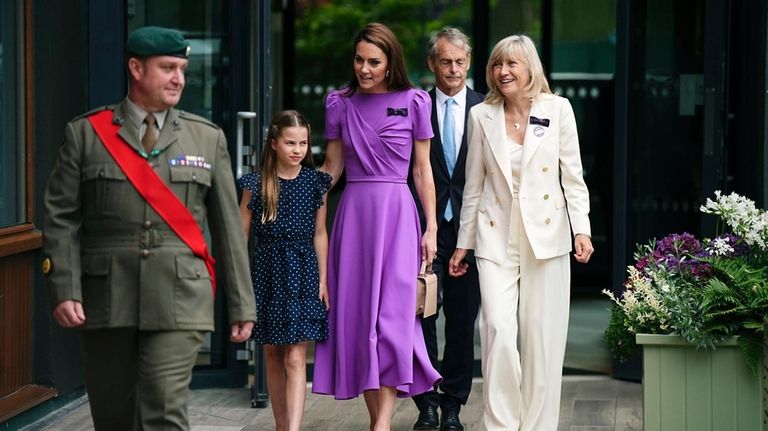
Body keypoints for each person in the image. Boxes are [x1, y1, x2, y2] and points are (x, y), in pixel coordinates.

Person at [42, 26, 256, 430]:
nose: (179, 79)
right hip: (106, 295)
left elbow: (228, 228)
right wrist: (65, 287)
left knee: (163, 409)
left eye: (182, 69)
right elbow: (60, 218)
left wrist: (242, 304)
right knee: (114, 415)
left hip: (180, 295)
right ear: (136, 68)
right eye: (168, 68)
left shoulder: (206, 138)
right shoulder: (86, 134)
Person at [448, 34, 594, 431]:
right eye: (497, 64)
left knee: (542, 342)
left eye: (512, 64)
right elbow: (474, 185)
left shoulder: (558, 109)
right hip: (495, 237)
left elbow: (573, 178)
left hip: (547, 236)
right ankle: (502, 424)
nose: (503, 72)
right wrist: (463, 244)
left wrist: (582, 230)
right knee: (497, 329)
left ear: (530, 68)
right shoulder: (482, 115)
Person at [311, 22, 442, 431]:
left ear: (389, 64)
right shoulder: (340, 103)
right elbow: (332, 168)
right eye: (359, 60)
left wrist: (432, 227)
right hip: (354, 218)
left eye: (374, 62)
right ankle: (378, 420)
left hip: (399, 217)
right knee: (358, 320)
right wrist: (292, 189)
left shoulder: (415, 101)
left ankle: (381, 423)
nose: (364, 68)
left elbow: (422, 171)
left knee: (392, 319)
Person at [408, 27, 484, 431]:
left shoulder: (486, 108)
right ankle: (427, 403)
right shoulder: (416, 105)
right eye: (445, 61)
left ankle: (453, 403)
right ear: (431, 63)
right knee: (421, 315)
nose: (453, 69)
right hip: (424, 230)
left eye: (459, 61)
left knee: (461, 319)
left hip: (471, 234)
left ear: (468, 62)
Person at [237, 110, 331, 431]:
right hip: (267, 273)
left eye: (303, 143)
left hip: (304, 271)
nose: (298, 149)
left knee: (296, 354)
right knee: (273, 353)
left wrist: (324, 278)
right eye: (290, 142)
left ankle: (292, 428)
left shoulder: (315, 183)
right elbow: (241, 235)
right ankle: (281, 426)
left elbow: (320, 233)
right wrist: (239, 284)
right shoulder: (256, 182)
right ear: (274, 143)